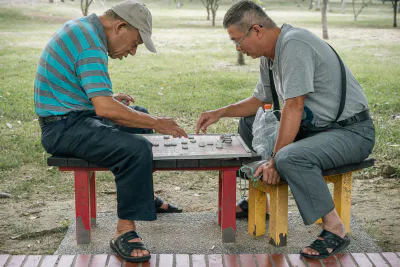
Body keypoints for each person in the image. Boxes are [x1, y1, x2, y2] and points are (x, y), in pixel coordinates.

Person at [196, 0, 375, 259]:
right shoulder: (269, 56)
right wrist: (220, 112)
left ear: (256, 30)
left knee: (289, 156)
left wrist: (275, 160)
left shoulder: (294, 44)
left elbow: (294, 106)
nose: (237, 47)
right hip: (317, 129)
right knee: (250, 123)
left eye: (237, 40)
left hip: (351, 133)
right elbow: (260, 102)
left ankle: (334, 228)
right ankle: (262, 197)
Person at [34, 0, 187, 262]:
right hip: (61, 128)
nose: (133, 51)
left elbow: (87, 94)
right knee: (136, 148)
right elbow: (105, 109)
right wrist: (158, 122)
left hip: (73, 116)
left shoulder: (85, 30)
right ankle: (124, 232)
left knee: (139, 115)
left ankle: (144, 196)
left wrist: (109, 99)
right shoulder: (91, 44)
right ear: (121, 26)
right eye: (136, 42)